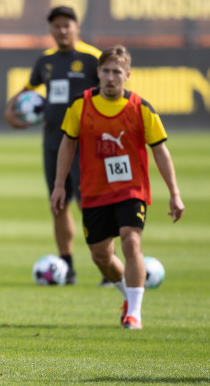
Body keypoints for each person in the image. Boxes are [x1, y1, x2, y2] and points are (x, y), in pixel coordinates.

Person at [50, 45, 184, 329]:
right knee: (101, 256)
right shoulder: (80, 104)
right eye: (107, 71)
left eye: (117, 72)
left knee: (131, 241)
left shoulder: (141, 108)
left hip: (131, 189)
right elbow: (67, 143)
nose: (111, 77)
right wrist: (59, 185)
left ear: (128, 75)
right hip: (94, 191)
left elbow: (160, 150)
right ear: (98, 73)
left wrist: (174, 192)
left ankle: (134, 313)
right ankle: (128, 296)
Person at [5, 6, 101, 285]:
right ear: (50, 29)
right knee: (58, 204)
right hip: (53, 142)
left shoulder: (92, 58)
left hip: (86, 143)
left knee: (89, 205)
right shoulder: (45, 61)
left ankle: (107, 262)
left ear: (76, 26)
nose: (62, 30)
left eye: (66, 25)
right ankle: (67, 265)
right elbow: (27, 90)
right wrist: (11, 110)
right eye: (56, 26)